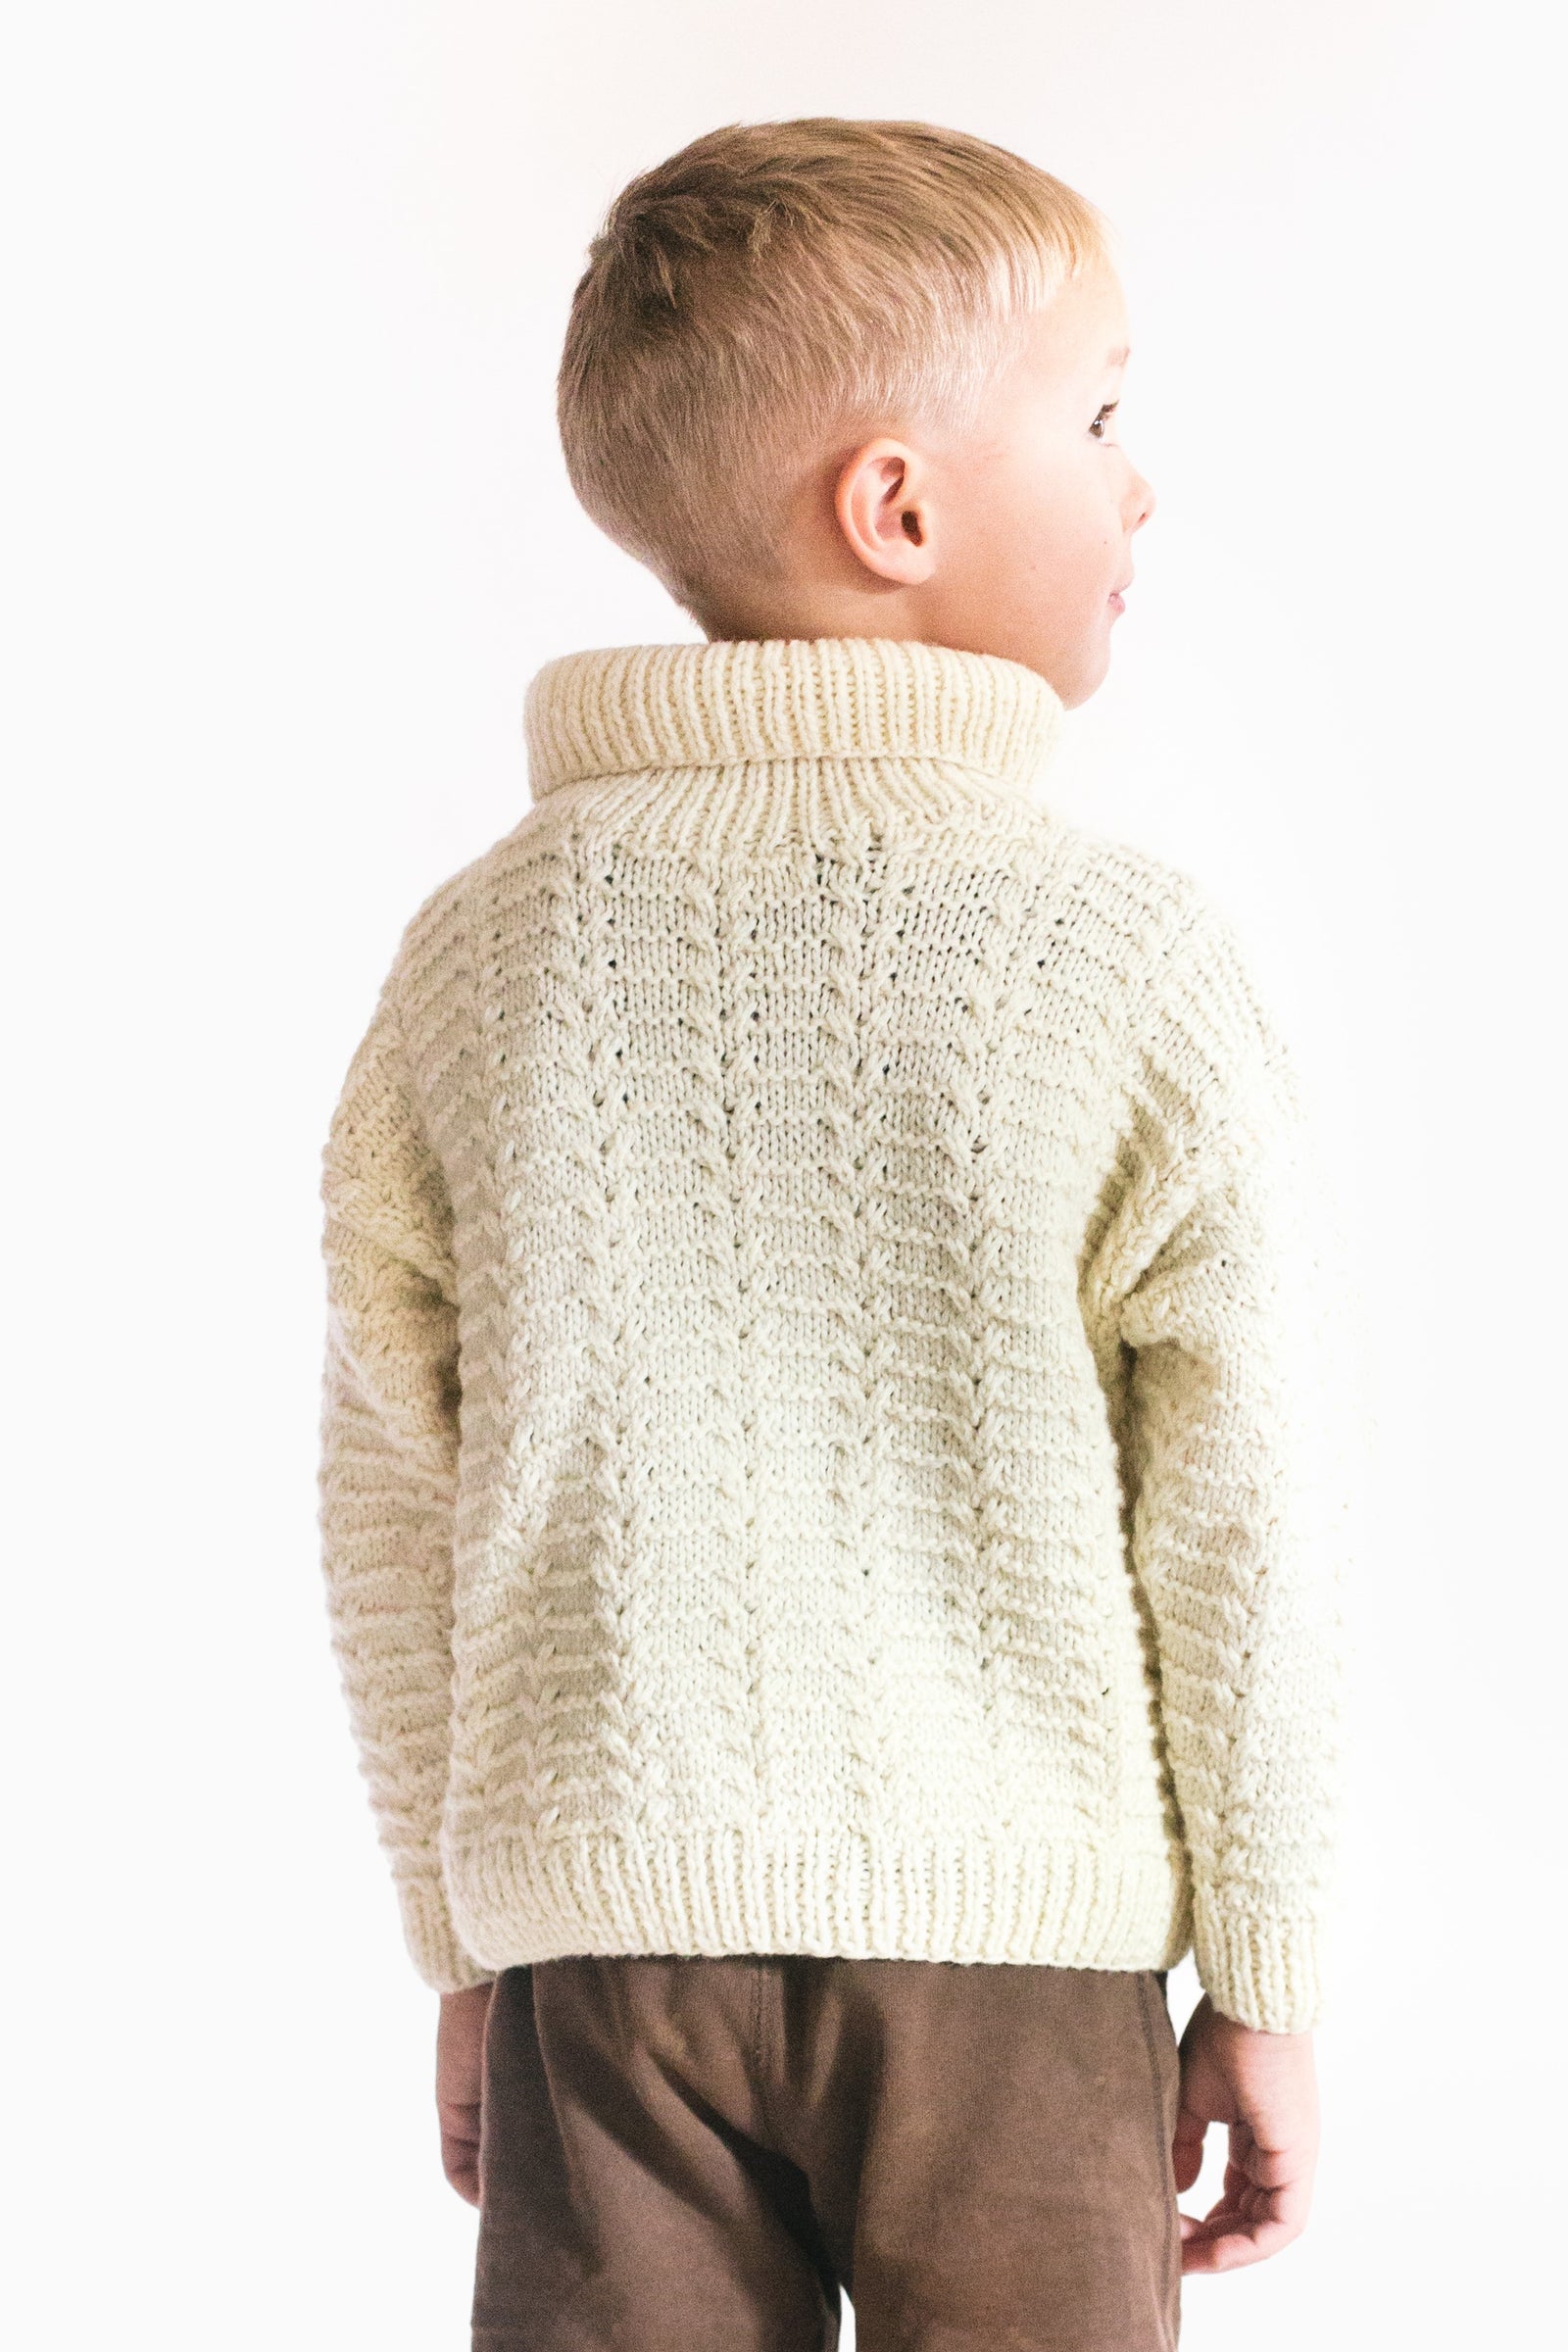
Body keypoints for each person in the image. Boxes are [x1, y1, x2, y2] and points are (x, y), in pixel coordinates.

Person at [317, 118, 1348, 2351]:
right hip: (1017, 1957)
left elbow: (394, 1486)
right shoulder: (1115, 955)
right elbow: (1237, 1503)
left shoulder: (481, 958)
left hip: (606, 1957)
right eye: (1099, 417)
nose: (1141, 487)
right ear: (896, 507)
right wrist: (1267, 1973)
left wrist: (467, 1945)